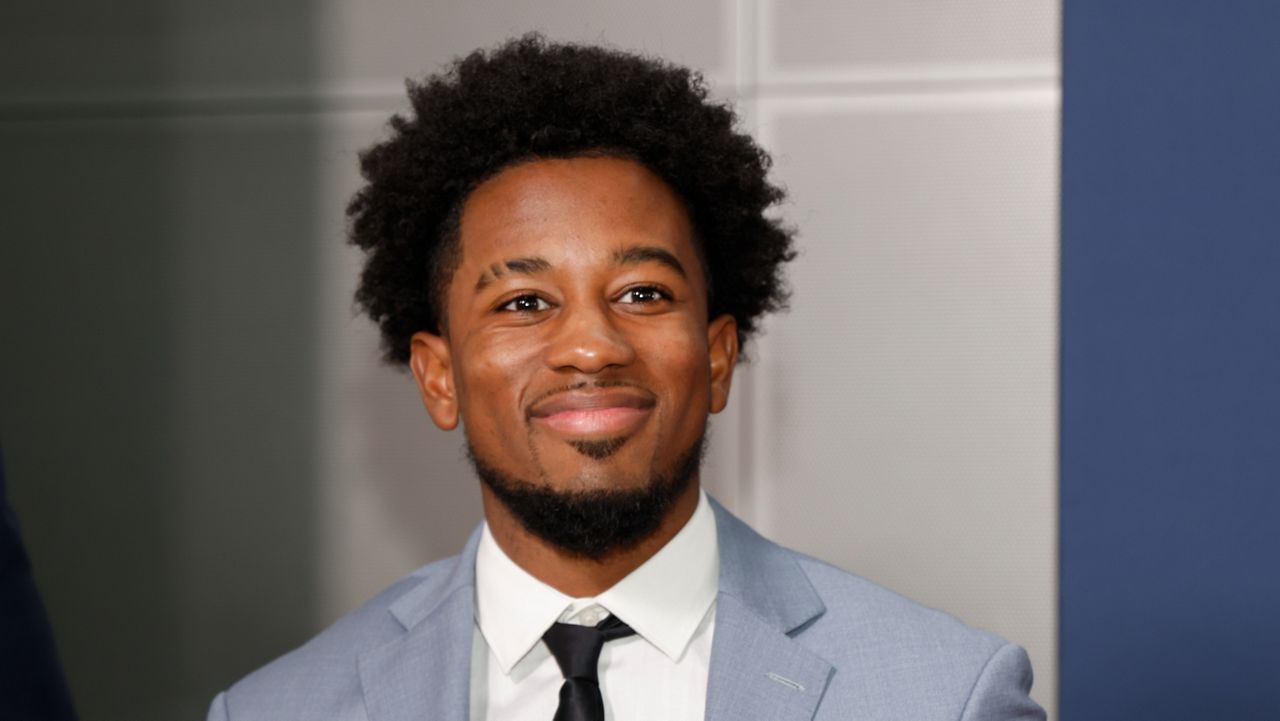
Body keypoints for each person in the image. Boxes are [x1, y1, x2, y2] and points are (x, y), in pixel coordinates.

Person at [209, 35, 1045, 721]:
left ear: (717, 354)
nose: (592, 346)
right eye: (525, 300)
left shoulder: (947, 695)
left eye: (643, 293)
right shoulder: (277, 710)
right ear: (439, 377)